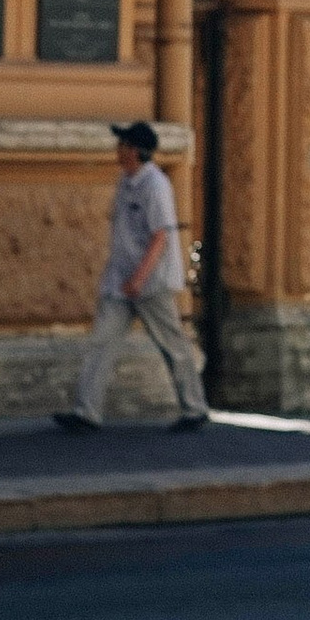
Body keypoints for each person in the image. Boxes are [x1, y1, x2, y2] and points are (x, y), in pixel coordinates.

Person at [53, 122, 208, 433]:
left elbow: (160, 236)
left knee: (172, 343)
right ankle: (87, 412)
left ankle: (195, 408)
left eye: (123, 144)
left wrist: (140, 277)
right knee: (102, 341)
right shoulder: (126, 181)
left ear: (136, 151)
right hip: (121, 281)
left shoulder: (156, 185)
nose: (118, 149)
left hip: (150, 282)